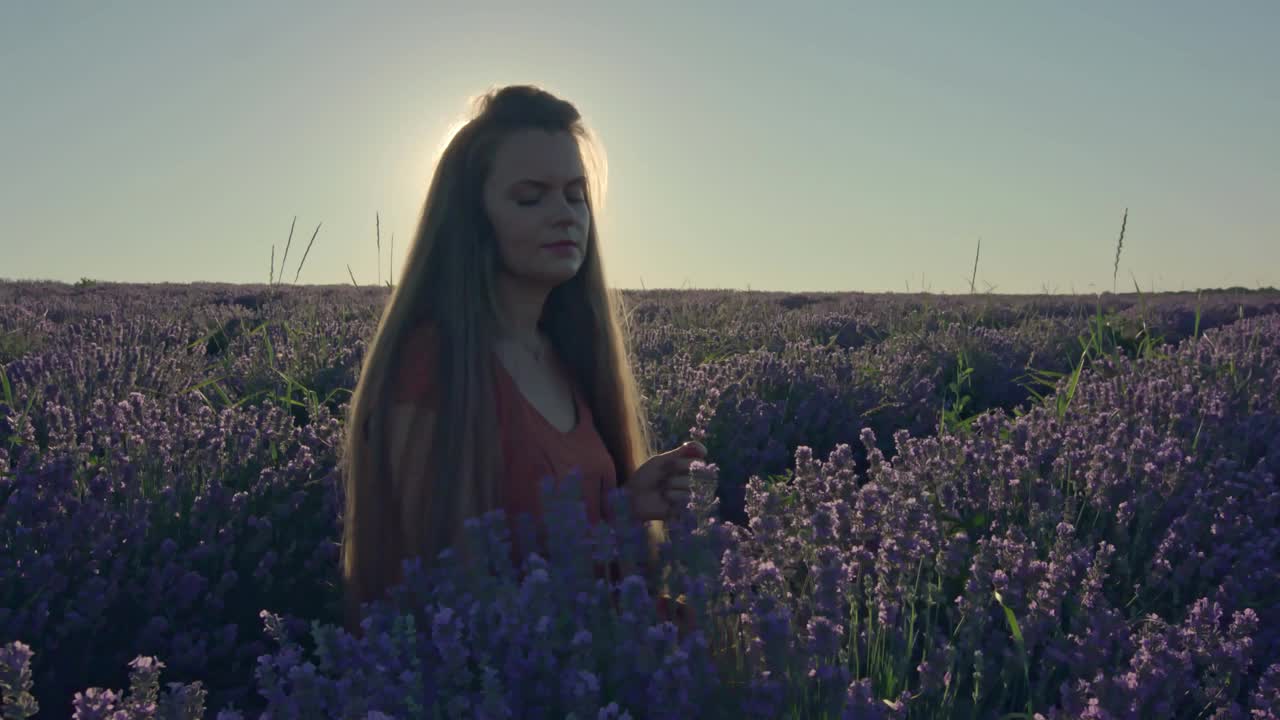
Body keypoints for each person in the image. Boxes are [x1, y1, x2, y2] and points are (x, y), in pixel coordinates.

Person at [339, 84, 705, 644]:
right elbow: (447, 586)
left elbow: (566, 556)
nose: (564, 215)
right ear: (474, 220)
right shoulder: (433, 366)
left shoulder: (561, 356)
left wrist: (629, 509)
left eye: (575, 195)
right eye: (530, 198)